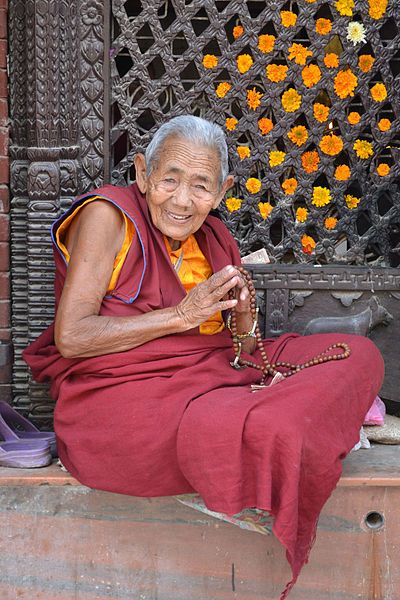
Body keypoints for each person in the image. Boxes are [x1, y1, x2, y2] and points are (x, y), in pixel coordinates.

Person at [23, 115, 384, 599]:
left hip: (211, 381)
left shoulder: (213, 239)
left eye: (200, 186)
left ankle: (261, 427)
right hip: (123, 401)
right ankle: (268, 435)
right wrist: (180, 315)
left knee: (358, 353)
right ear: (142, 173)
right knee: (273, 424)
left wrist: (243, 318)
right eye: (169, 179)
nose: (180, 199)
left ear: (221, 191)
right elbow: (72, 336)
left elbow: (242, 353)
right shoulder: (108, 217)